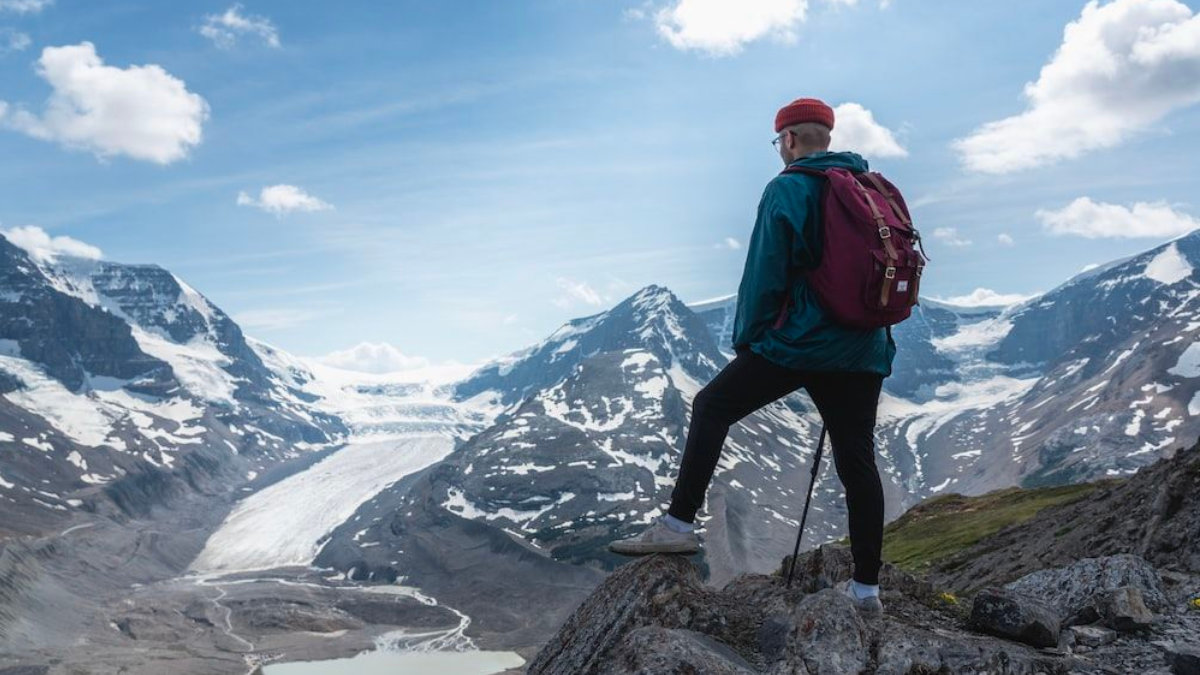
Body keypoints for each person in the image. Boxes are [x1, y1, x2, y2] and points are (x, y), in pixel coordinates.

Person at [608, 97, 896, 615]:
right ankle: (867, 592)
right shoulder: (871, 188)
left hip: (803, 342)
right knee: (857, 459)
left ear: (787, 140)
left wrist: (751, 342)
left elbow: (764, 273)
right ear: (826, 136)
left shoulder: (788, 187)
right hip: (864, 345)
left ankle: (676, 525)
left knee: (714, 405)